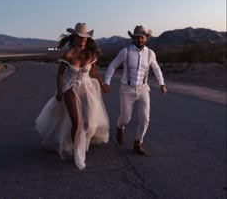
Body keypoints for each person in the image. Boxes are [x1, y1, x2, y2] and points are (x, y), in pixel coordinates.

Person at [35, 23, 109, 170]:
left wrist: (102, 84)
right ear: (75, 37)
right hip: (70, 88)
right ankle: (78, 154)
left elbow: (94, 72)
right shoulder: (68, 54)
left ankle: (82, 143)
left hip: (87, 88)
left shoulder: (91, 54)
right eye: (80, 37)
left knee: (89, 124)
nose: (83, 40)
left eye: (85, 38)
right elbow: (60, 73)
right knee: (78, 123)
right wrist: (59, 90)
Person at [103, 25, 167, 155]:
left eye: (142, 37)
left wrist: (162, 84)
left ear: (146, 38)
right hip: (127, 89)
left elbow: (156, 68)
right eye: (137, 37)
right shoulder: (125, 51)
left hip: (143, 89)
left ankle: (138, 142)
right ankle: (120, 127)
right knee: (126, 118)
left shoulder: (150, 53)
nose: (140, 40)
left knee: (145, 118)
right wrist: (107, 82)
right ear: (133, 38)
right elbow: (112, 65)